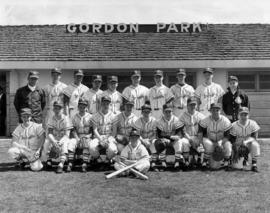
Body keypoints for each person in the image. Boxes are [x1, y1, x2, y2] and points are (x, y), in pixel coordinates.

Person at [151, 103, 190, 171]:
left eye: (170, 111)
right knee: (160, 142)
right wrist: (170, 137)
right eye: (166, 111)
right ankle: (162, 163)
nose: (168, 113)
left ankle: (177, 163)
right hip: (165, 139)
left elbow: (179, 133)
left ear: (172, 111)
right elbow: (160, 134)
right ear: (163, 111)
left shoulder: (176, 119)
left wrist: (173, 138)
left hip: (174, 140)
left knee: (179, 142)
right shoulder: (159, 121)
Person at [198, 103, 232, 170]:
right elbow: (200, 132)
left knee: (228, 146)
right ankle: (204, 162)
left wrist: (221, 143)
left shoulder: (226, 121)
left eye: (217, 110)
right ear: (210, 111)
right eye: (213, 110)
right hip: (209, 140)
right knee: (209, 145)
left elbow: (227, 136)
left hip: (221, 141)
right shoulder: (205, 120)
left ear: (220, 111)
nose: (215, 112)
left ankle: (226, 162)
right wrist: (201, 143)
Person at [42, 101, 73, 173]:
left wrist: (59, 142)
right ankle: (48, 161)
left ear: (62, 109)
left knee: (64, 144)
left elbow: (67, 135)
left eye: (59, 108)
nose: (57, 110)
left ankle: (61, 164)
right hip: (54, 137)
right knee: (46, 143)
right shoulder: (51, 118)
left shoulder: (66, 118)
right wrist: (54, 141)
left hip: (64, 138)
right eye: (55, 108)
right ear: (53, 109)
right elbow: (49, 133)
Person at [89, 96, 118, 165]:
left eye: (107, 103)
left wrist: (108, 140)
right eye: (104, 103)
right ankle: (99, 159)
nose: (105, 105)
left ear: (110, 104)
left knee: (113, 149)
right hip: (98, 136)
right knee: (92, 147)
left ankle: (108, 160)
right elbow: (95, 130)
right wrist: (100, 139)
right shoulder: (95, 115)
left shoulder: (114, 116)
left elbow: (114, 131)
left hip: (109, 137)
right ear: (101, 104)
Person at [230, 107, 260, 172]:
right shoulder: (234, 125)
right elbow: (232, 140)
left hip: (248, 144)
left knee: (255, 145)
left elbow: (254, 137)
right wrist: (236, 151)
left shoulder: (253, 123)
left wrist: (245, 142)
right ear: (238, 115)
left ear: (248, 115)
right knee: (237, 167)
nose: (243, 117)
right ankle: (240, 159)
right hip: (238, 146)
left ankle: (254, 164)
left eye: (245, 115)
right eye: (241, 115)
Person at [179, 97, 205, 167]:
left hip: (197, 136)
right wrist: (190, 139)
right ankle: (187, 160)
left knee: (202, 141)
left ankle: (200, 160)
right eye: (191, 105)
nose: (193, 106)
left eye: (194, 105)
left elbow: (202, 130)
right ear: (187, 105)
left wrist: (199, 140)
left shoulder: (201, 116)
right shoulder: (182, 116)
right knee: (184, 142)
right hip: (186, 137)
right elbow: (182, 130)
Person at [69, 99, 93, 172]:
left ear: (86, 107)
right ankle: (70, 163)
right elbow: (73, 129)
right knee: (71, 143)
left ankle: (84, 163)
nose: (82, 108)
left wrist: (87, 137)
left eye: (84, 106)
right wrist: (77, 138)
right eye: (80, 106)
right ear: (78, 106)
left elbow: (92, 131)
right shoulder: (74, 116)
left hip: (87, 135)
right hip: (77, 135)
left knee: (86, 143)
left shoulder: (90, 117)